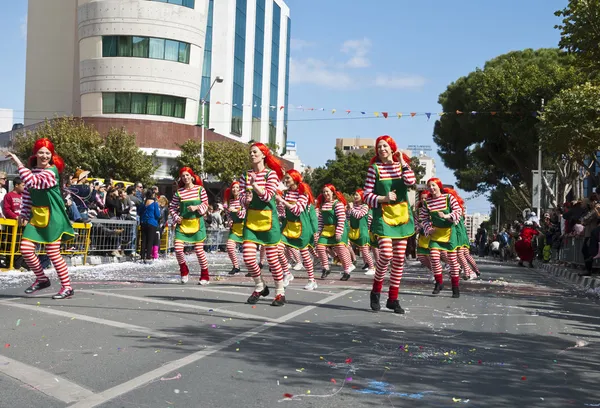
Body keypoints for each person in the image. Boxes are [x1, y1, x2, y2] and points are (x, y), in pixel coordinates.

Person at [6, 139, 75, 299]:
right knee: (26, 248)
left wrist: (18, 162)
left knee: (52, 252)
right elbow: (29, 194)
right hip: (37, 215)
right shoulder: (34, 171)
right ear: (35, 153)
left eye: (47, 153)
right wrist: (23, 212)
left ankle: (67, 287)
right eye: (41, 152)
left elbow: (32, 182)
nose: (44, 155)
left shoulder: (51, 172)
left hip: (54, 216)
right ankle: (42, 279)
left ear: (51, 156)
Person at [363, 135, 416, 313]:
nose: (382, 149)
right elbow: (366, 195)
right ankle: (376, 292)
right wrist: (383, 198)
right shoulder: (374, 169)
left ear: (392, 148)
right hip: (383, 217)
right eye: (379, 147)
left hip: (402, 217)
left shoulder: (401, 166)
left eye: (385, 146)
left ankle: (393, 299)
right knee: (386, 255)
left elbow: (411, 182)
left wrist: (402, 162)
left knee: (399, 259)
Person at [239, 143, 286, 306]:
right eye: (250, 152)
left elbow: (267, 197)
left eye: (255, 152)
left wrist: (255, 186)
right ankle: (260, 286)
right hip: (251, 221)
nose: (252, 155)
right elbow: (241, 197)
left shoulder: (271, 175)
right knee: (248, 257)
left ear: (264, 155)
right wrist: (246, 199)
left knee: (273, 260)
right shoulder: (245, 175)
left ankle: (280, 292)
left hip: (269, 221)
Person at [419, 177, 463, 298]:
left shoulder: (449, 198)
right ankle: (439, 283)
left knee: (453, 261)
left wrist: (447, 215)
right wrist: (428, 228)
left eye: (433, 185)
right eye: (429, 186)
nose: (431, 188)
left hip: (449, 233)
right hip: (436, 233)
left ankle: (455, 287)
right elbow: (423, 218)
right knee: (433, 257)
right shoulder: (427, 203)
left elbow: (458, 211)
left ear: (439, 186)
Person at [276, 169, 318, 290]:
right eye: (285, 178)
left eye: (288, 178)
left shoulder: (303, 193)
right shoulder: (285, 193)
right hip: (287, 226)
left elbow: (297, 210)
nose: (286, 180)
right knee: (278, 249)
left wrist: (283, 201)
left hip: (302, 227)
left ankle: (312, 280)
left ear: (295, 178)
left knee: (304, 254)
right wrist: (279, 205)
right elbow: (282, 212)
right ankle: (287, 273)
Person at [169, 167, 210, 285]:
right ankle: (183, 270)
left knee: (199, 251)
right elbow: (172, 207)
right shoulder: (179, 192)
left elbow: (206, 204)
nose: (185, 178)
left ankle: (205, 275)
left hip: (197, 223)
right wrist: (177, 217)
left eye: (187, 175)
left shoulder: (200, 189)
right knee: (177, 249)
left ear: (192, 176)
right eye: (183, 176)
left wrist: (197, 208)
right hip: (183, 225)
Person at [315, 184, 354, 280]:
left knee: (341, 250)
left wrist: (339, 232)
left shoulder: (338, 204)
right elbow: (321, 220)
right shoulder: (323, 205)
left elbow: (341, 219)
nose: (325, 193)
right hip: (327, 230)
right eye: (324, 192)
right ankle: (325, 268)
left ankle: (347, 271)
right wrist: (318, 231)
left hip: (338, 229)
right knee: (319, 246)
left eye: (327, 191)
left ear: (332, 192)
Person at [347, 189, 375, 275]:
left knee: (365, 251)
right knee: (345, 245)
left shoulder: (365, 206)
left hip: (363, 231)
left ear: (362, 196)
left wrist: (351, 209)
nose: (355, 197)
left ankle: (372, 267)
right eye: (354, 195)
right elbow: (348, 217)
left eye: (357, 195)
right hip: (353, 231)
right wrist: (348, 210)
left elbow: (359, 215)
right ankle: (349, 264)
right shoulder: (353, 206)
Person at [224, 181, 245, 275]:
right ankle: (236, 266)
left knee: (248, 251)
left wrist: (236, 211)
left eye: (237, 187)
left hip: (245, 227)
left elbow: (245, 213)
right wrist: (229, 220)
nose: (235, 189)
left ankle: (253, 268)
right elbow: (228, 214)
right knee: (229, 246)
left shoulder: (243, 200)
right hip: (235, 228)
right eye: (233, 187)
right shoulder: (230, 201)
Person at [139, 189, 161, 263]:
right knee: (150, 240)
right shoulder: (155, 203)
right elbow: (157, 214)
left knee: (143, 240)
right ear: (152, 195)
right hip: (152, 222)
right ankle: (148, 256)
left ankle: (142, 256)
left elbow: (139, 212)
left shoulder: (143, 203)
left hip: (143, 222)